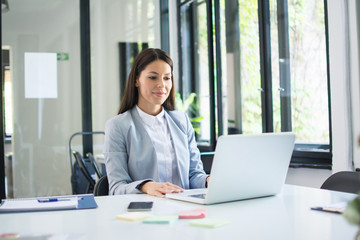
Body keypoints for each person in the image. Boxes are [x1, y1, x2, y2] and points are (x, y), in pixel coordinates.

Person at [104, 48, 209, 198]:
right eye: (153, 77)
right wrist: (146, 186)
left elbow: (193, 175)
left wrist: (208, 181)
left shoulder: (181, 121)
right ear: (136, 80)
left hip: (186, 207)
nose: (161, 85)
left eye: (167, 78)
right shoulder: (118, 126)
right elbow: (116, 188)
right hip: (145, 213)